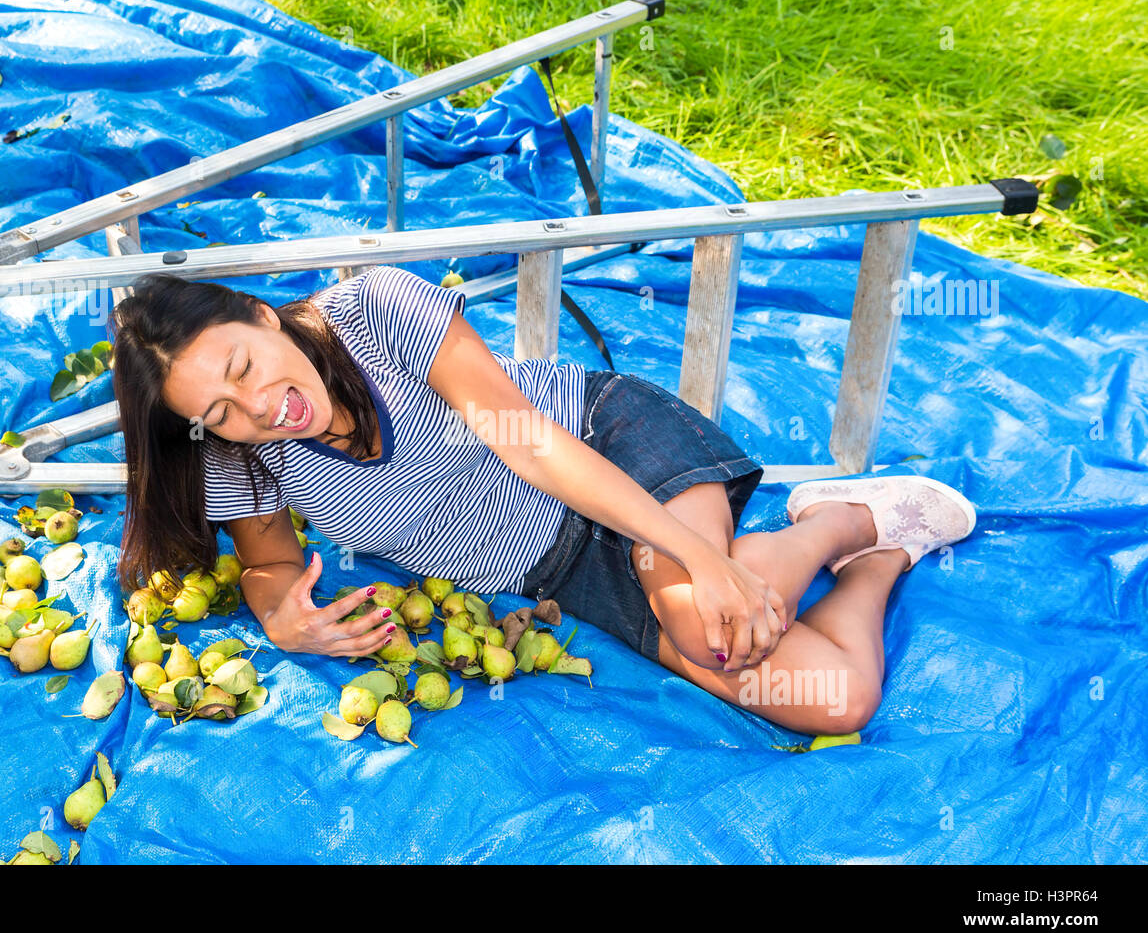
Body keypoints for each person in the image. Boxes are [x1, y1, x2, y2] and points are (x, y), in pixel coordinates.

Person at [107, 264, 975, 735]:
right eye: (217, 412)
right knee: (837, 701)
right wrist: (281, 619)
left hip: (601, 448)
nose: (257, 408)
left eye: (243, 369)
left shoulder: (373, 310)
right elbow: (269, 565)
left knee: (707, 624)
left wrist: (697, 555)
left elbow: (532, 443)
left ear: (261, 316)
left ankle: (832, 522)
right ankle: (870, 542)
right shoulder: (243, 457)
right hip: (555, 565)